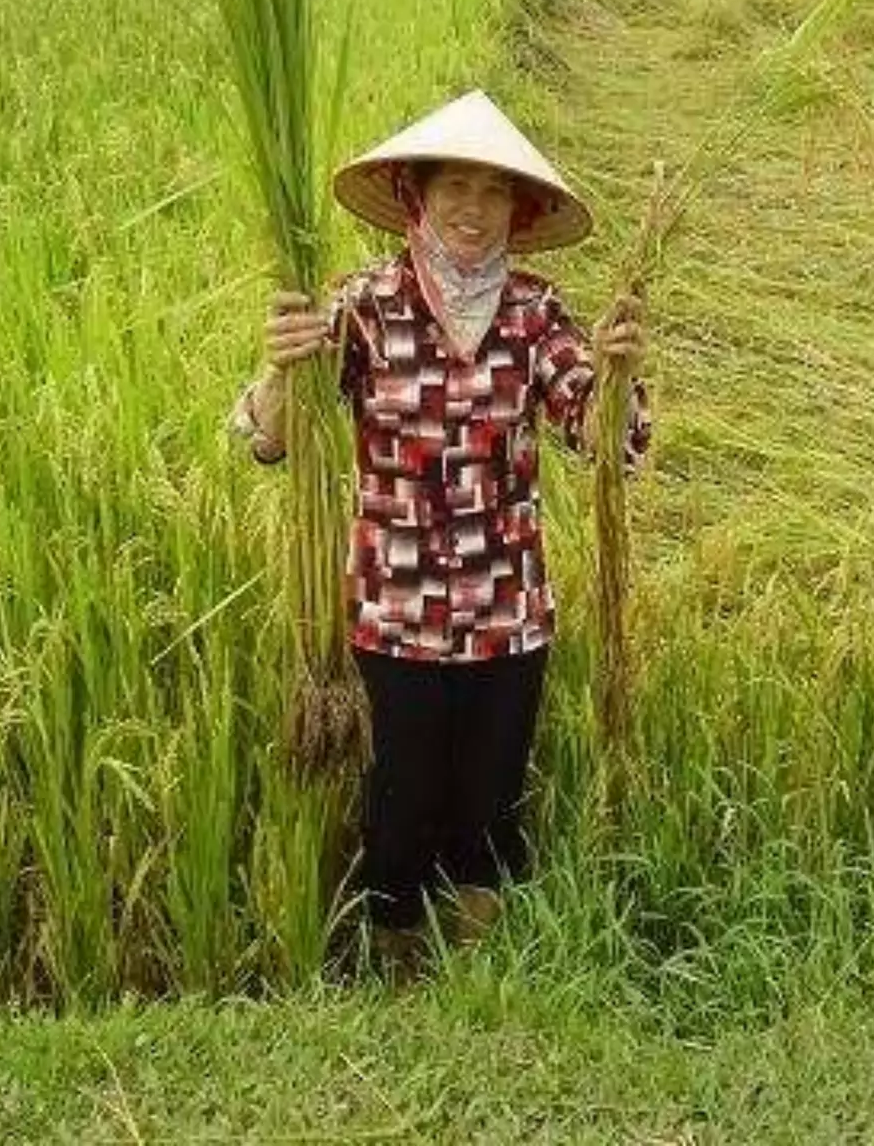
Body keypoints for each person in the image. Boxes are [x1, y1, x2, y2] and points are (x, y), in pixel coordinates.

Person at [229, 89, 651, 978]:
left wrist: (614, 376)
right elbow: (273, 440)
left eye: (492, 193)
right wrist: (280, 367)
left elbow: (598, 438)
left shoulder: (536, 313)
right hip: (395, 611)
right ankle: (395, 966)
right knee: (402, 801)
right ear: (417, 197)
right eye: (453, 187)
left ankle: (480, 972)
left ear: (518, 211)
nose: (471, 208)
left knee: (490, 804)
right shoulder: (364, 305)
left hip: (508, 610)